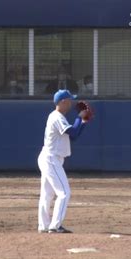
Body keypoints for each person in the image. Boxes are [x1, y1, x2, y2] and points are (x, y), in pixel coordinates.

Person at [37, 89, 89, 233]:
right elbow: (72, 132)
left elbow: (74, 136)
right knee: (64, 193)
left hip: (50, 158)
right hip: (51, 159)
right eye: (70, 100)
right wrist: (79, 117)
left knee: (47, 194)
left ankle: (44, 225)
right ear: (63, 102)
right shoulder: (56, 116)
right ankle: (54, 226)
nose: (71, 103)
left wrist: (83, 121)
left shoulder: (59, 117)